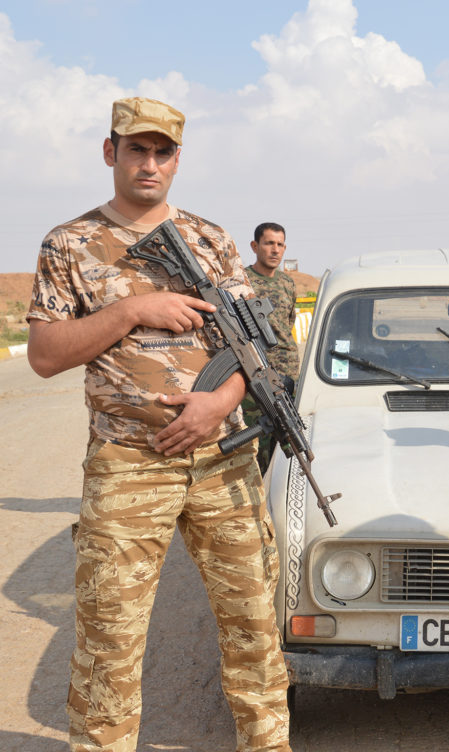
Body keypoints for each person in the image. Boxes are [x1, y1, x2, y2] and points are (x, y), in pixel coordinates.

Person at [26, 97, 291, 751]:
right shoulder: (69, 244)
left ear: (178, 158)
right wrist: (130, 311)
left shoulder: (212, 240)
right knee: (108, 640)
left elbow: (254, 349)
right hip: (127, 464)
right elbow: (44, 355)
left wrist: (219, 402)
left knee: (256, 625)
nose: (150, 163)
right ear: (110, 151)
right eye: (136, 149)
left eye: (163, 151)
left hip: (221, 461)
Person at [244, 221, 299, 472]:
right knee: (255, 440)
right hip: (254, 373)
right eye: (269, 243)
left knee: (288, 439)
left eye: (280, 245)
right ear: (255, 246)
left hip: (287, 374)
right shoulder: (242, 283)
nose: (275, 250)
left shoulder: (288, 283)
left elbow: (288, 324)